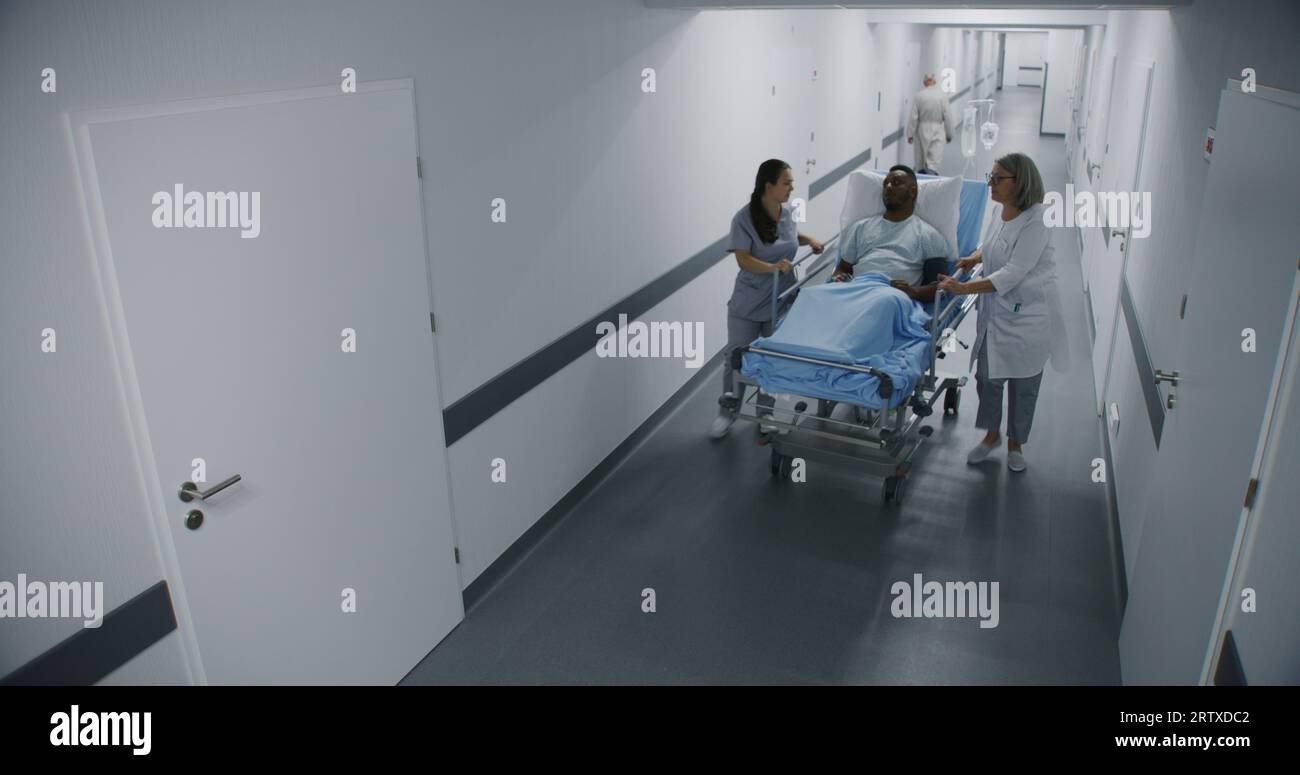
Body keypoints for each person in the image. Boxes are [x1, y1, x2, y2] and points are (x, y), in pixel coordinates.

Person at [936, 153, 1069, 472]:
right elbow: (993, 245)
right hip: (996, 313)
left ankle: (1016, 444)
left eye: (997, 178)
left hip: (1027, 317)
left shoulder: (1038, 220)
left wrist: (965, 287)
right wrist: (974, 258)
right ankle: (992, 435)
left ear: (1019, 182)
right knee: (987, 379)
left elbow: (1013, 272)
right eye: (990, 176)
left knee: (1024, 388)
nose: (990, 184)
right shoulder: (1001, 210)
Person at [711, 159, 823, 439]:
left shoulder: (785, 213)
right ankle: (728, 411)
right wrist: (772, 268)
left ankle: (765, 412)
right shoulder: (743, 218)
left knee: (771, 358)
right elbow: (743, 259)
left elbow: (789, 237)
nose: (791, 187)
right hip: (749, 300)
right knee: (736, 357)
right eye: (787, 182)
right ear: (768, 185)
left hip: (781, 298)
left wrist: (811, 241)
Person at [830, 165, 950, 303]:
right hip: (856, 291)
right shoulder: (860, 228)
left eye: (896, 183)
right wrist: (838, 278)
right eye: (885, 183)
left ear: (913, 192)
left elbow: (940, 286)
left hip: (891, 297)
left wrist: (913, 292)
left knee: (881, 303)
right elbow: (843, 268)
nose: (888, 187)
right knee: (811, 295)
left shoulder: (929, 236)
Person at [907, 74, 955, 175]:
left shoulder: (919, 96)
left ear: (924, 82)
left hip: (921, 130)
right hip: (937, 129)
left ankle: (920, 179)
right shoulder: (942, 96)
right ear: (934, 82)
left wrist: (910, 134)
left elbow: (913, 117)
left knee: (920, 160)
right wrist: (949, 134)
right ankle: (932, 177)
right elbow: (948, 117)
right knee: (934, 160)